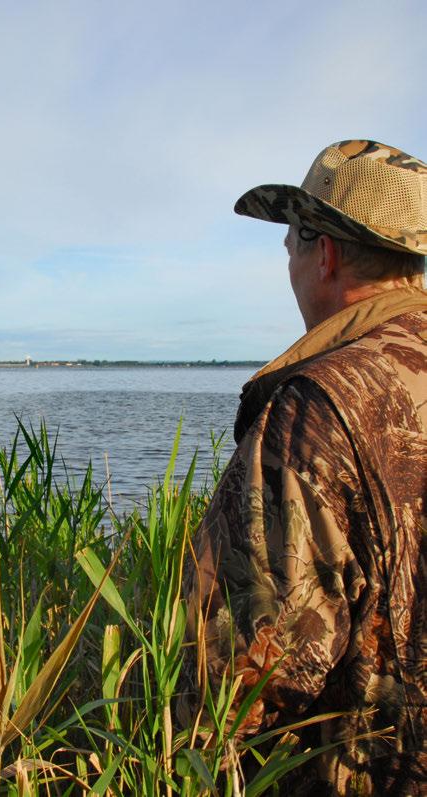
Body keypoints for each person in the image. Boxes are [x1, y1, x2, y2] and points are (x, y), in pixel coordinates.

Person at [180, 140, 427, 796]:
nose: (288, 262)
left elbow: (255, 671)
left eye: (288, 243)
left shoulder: (318, 407)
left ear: (323, 253)